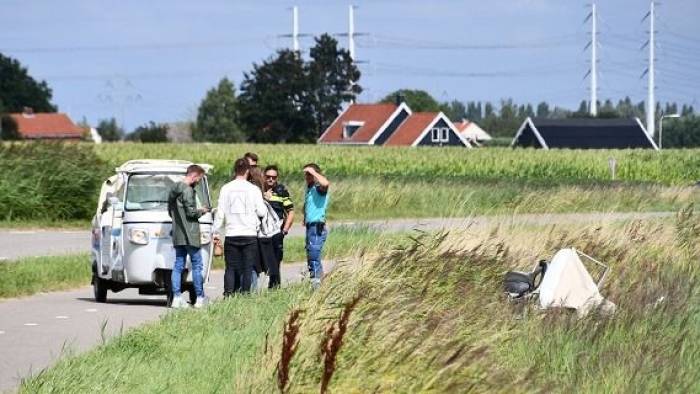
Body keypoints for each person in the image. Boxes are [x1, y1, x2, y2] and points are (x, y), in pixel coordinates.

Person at [213, 158, 267, 295]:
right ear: (248, 171)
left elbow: (220, 214)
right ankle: (245, 295)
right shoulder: (254, 189)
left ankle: (228, 294)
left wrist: (215, 232)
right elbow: (261, 211)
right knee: (247, 268)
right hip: (249, 234)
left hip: (232, 234)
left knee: (230, 268)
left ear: (235, 170)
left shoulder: (226, 188)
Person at [167, 164, 209, 308]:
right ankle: (199, 298)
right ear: (194, 175)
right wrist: (202, 211)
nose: (198, 181)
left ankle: (176, 297)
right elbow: (191, 213)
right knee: (197, 265)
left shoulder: (173, 189)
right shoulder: (188, 191)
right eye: (199, 178)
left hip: (178, 233)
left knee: (178, 265)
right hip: (190, 234)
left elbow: (170, 210)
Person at [264, 165, 295, 288]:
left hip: (277, 232)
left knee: (275, 263)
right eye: (268, 177)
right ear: (264, 176)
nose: (271, 179)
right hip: (260, 233)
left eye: (274, 177)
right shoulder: (257, 189)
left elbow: (291, 212)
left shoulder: (281, 191)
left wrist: (285, 230)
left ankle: (274, 288)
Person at [302, 163, 330, 289]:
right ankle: (319, 283)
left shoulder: (319, 187)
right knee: (311, 256)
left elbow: (326, 184)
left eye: (309, 174)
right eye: (306, 174)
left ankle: (317, 286)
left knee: (313, 255)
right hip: (310, 226)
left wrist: (313, 172)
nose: (307, 176)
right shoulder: (310, 189)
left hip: (317, 226)